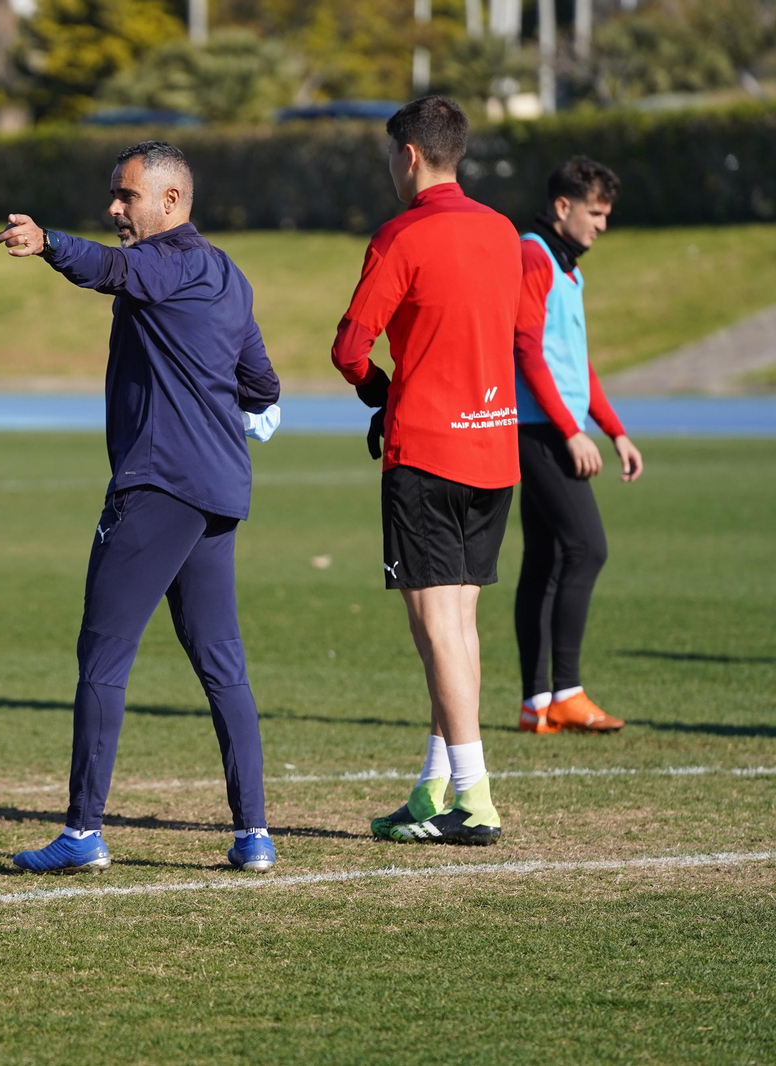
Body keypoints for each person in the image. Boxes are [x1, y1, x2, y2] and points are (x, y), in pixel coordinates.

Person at [0, 141, 284, 875]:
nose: (115, 209)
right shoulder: (227, 274)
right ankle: (254, 834)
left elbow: (110, 269)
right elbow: (261, 381)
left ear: (171, 202)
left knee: (103, 656)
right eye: (114, 196)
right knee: (223, 666)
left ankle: (84, 833)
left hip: (157, 488)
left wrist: (49, 242)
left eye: (127, 196)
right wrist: (248, 405)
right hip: (219, 493)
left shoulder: (164, 263)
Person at [330, 97, 522, 846]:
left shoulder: (402, 234)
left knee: (435, 625)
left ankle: (473, 796)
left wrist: (383, 391)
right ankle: (435, 785)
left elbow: (350, 348)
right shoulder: (505, 232)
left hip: (430, 453)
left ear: (409, 156)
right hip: (495, 447)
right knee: (459, 626)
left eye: (389, 156)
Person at [512, 157, 642, 735]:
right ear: (563, 207)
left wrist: (614, 429)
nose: (603, 225)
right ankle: (566, 691)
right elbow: (526, 349)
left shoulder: (570, 269)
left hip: (557, 424)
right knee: (588, 550)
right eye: (596, 212)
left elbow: (575, 363)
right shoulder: (534, 254)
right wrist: (570, 429)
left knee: (545, 559)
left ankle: (535, 703)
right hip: (540, 429)